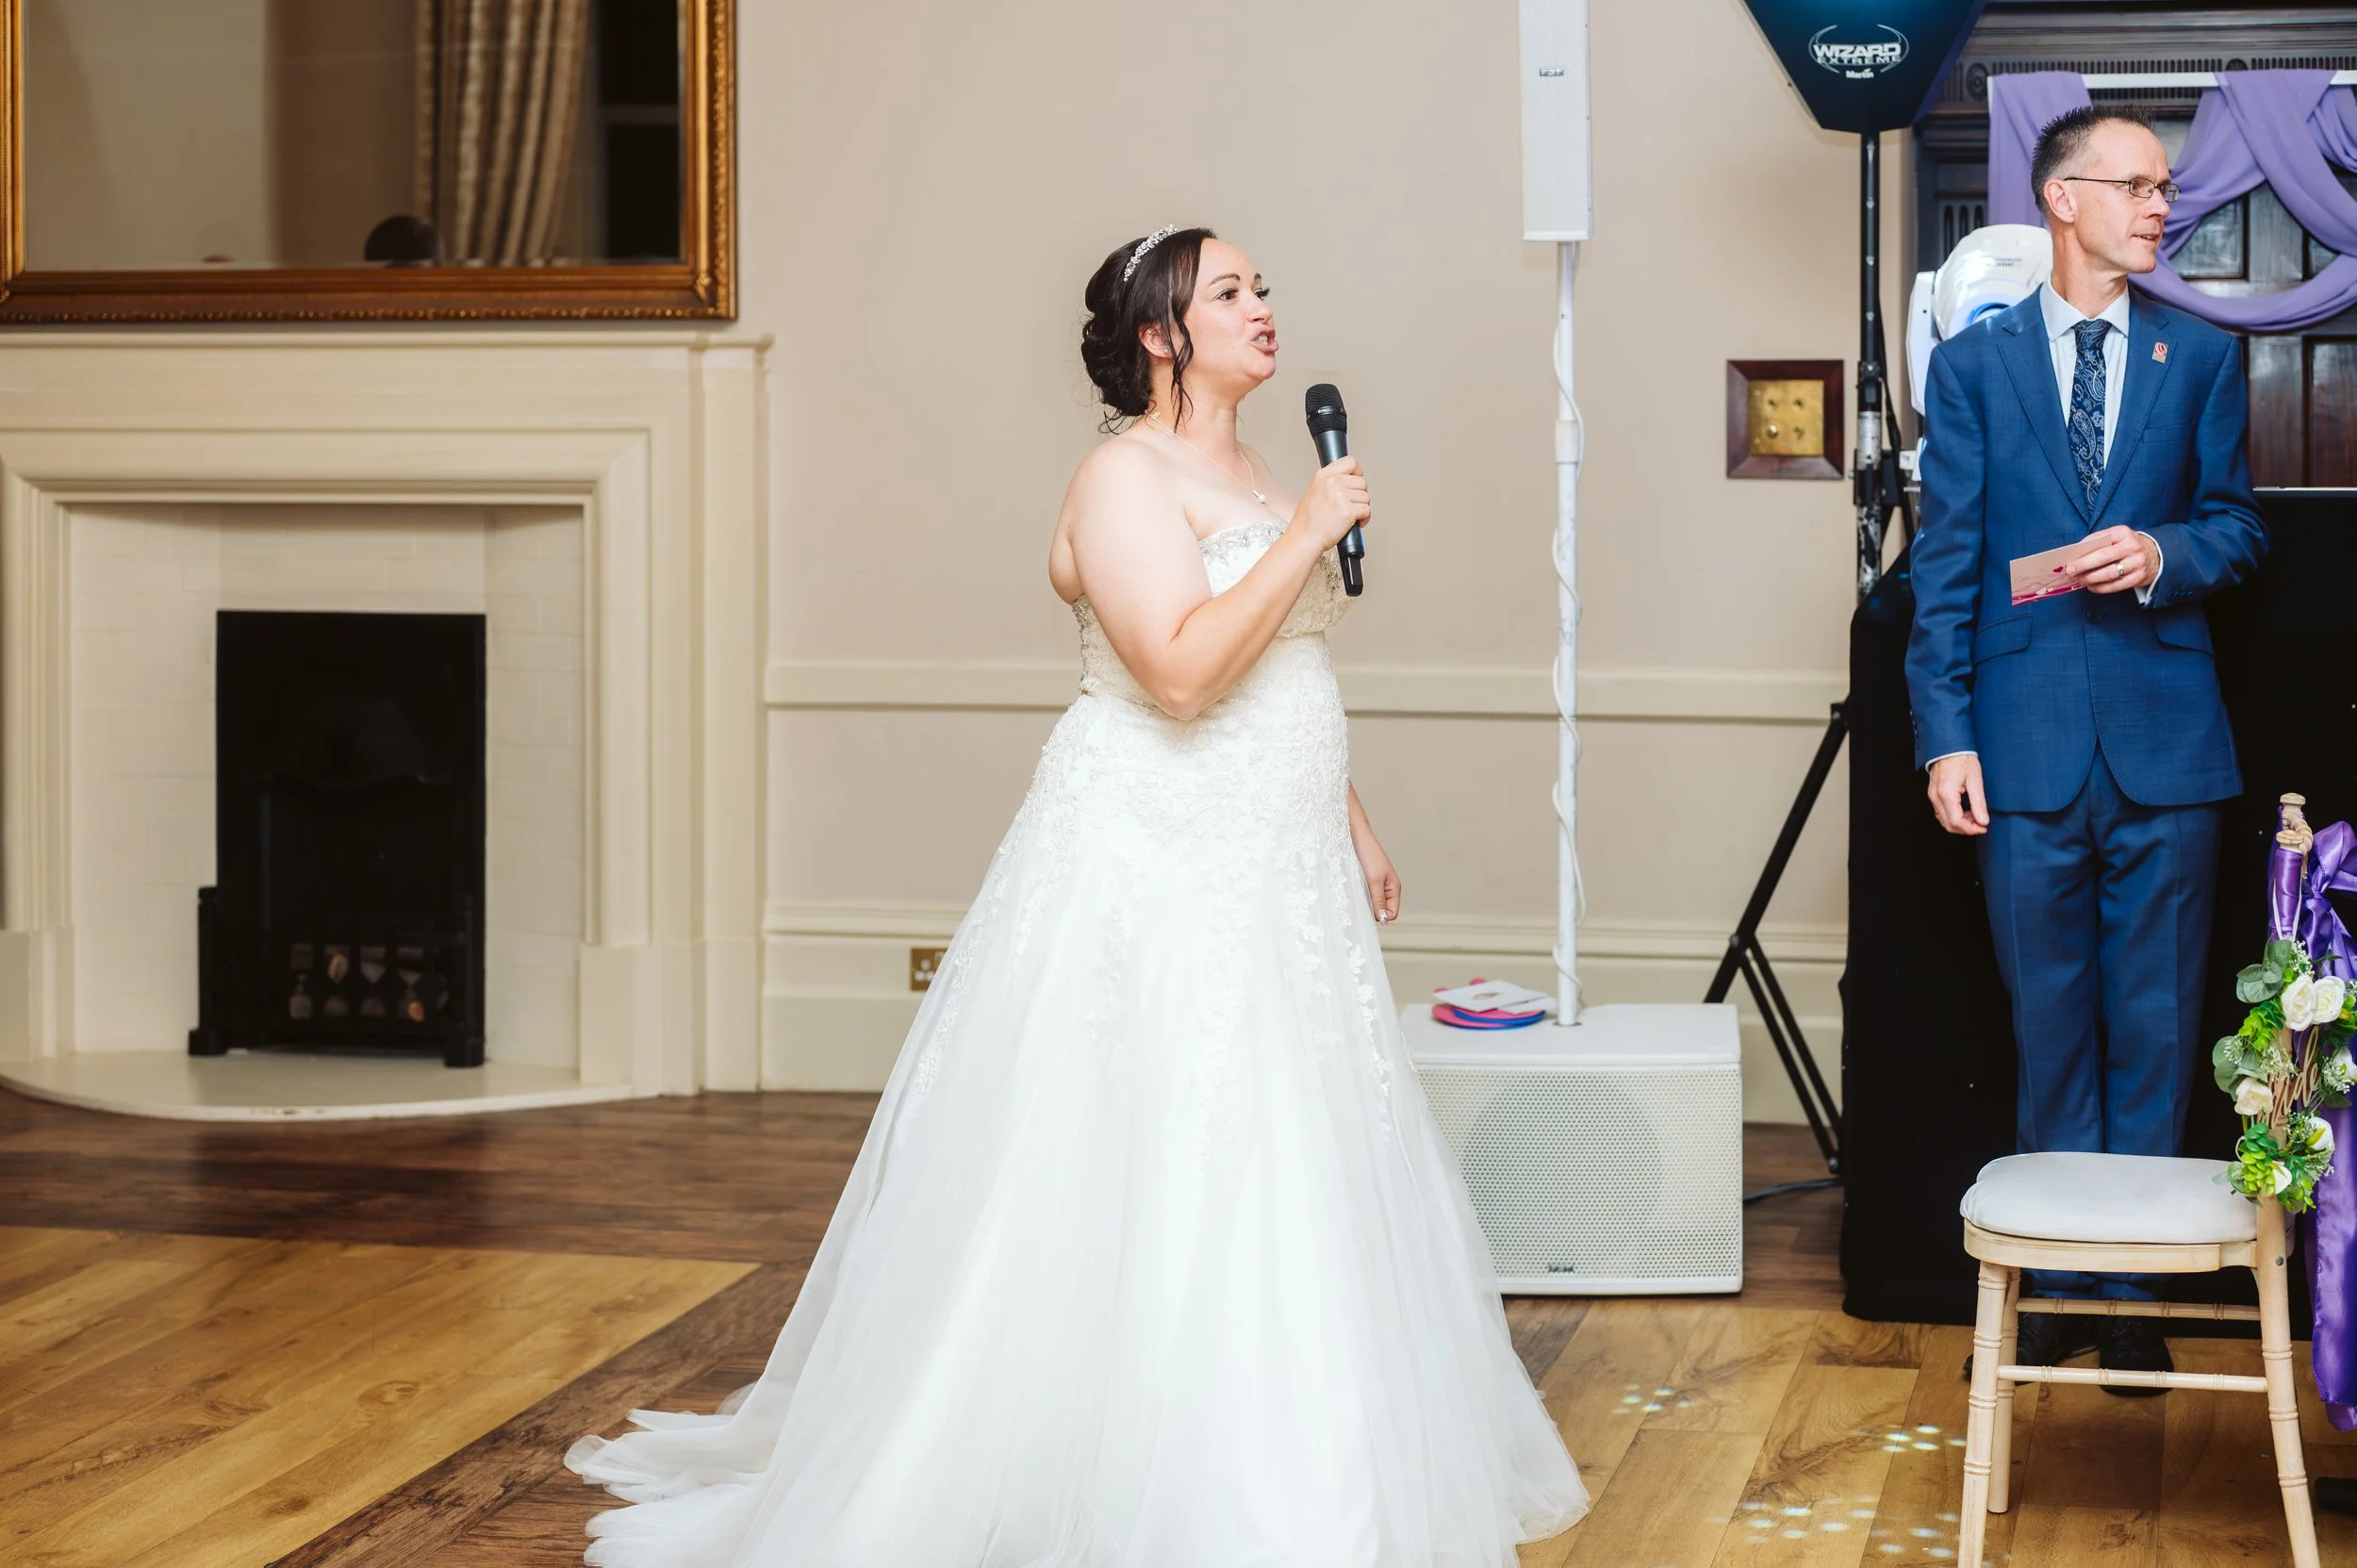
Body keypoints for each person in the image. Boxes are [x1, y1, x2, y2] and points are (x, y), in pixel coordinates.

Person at [563, 225, 1589, 1564]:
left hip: (1275, 852)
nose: (1262, 307)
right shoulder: (1122, 473)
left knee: (1292, 1142)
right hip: (1154, 855)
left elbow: (1273, 664)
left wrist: (1351, 819)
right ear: (1162, 334)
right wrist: (1306, 533)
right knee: (1155, 1136)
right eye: (1230, 291)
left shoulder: (1257, 465)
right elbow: (1176, 671)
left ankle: (1293, 1458)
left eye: (1262, 286)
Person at [1908, 107, 2267, 1390]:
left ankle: (2135, 1296)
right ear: (2063, 200)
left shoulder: (2201, 357)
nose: (2159, 205)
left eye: (2166, 187)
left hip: (2169, 749)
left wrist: (2171, 552)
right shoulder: (1975, 366)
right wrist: (1945, 738)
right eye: (2134, 185)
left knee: (2159, 1034)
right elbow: (1942, 567)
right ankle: (2052, 1282)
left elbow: (2238, 528)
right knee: (2050, 1028)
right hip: (2021, 749)